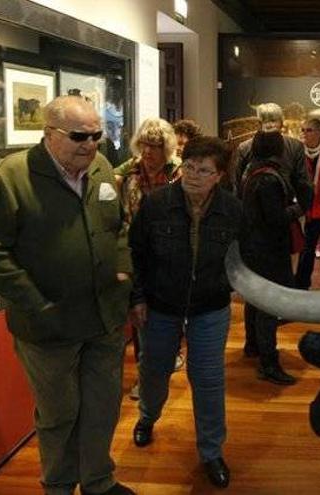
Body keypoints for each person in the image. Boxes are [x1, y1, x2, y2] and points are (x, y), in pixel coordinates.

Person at [0, 95, 135, 495]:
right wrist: (33, 301)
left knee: (102, 405)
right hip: (48, 324)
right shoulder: (13, 177)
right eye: (79, 135)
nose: (90, 143)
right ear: (49, 133)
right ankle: (59, 486)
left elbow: (119, 226)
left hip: (103, 317)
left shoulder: (99, 167)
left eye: (96, 134)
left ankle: (98, 480)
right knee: (60, 413)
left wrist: (125, 270)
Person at [128, 136, 241, 489]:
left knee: (208, 380)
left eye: (204, 170)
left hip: (210, 307)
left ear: (219, 175)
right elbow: (136, 254)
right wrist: (138, 298)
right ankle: (148, 417)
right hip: (161, 304)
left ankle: (211, 451)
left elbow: (245, 255)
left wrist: (233, 286)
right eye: (189, 166)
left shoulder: (234, 210)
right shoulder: (156, 204)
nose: (193, 175)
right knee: (154, 369)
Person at [113, 118, 182, 400]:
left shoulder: (177, 172)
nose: (149, 152)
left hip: (170, 253)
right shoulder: (128, 171)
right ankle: (147, 378)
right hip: (136, 251)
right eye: (144, 144)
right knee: (141, 316)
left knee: (168, 310)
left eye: (155, 145)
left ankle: (172, 352)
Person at [240, 131, 303, 385]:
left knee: (255, 299)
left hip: (253, 247)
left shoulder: (251, 171)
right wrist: (300, 207)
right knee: (268, 303)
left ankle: (252, 344)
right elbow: (276, 219)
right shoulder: (269, 177)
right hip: (268, 249)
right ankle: (268, 362)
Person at [233, 102, 313, 211]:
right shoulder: (244, 147)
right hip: (252, 212)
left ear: (281, 122)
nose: (269, 124)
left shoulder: (295, 146)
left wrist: (296, 210)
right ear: (259, 123)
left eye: (273, 120)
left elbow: (303, 183)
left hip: (285, 207)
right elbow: (237, 184)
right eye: (265, 120)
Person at [294, 118, 320, 290]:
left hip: (319, 211)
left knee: (308, 248)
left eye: (309, 130)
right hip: (297, 210)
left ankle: (301, 285)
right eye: (303, 130)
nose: (305, 134)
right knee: (297, 249)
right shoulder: (296, 153)